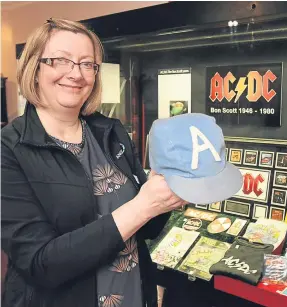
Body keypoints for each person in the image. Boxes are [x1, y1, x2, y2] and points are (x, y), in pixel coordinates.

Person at [1, 18, 187, 307]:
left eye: (87, 64)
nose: (76, 74)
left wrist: (168, 194)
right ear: (34, 69)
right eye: (61, 60)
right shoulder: (9, 149)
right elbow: (41, 263)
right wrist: (143, 206)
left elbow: (145, 230)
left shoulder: (111, 132)